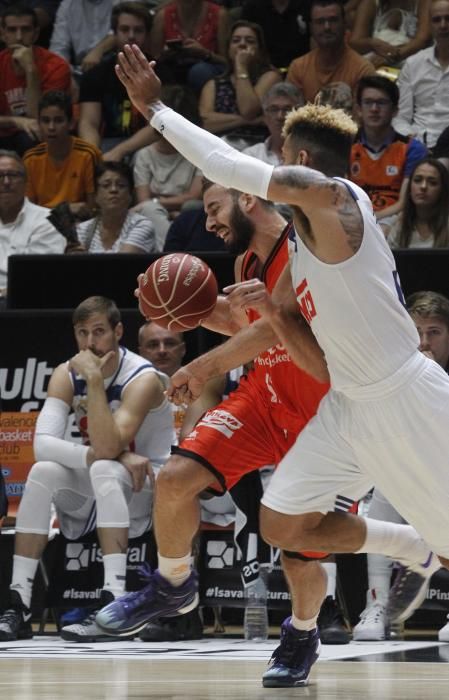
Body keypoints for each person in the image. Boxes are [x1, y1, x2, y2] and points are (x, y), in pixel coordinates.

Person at [106, 45, 449, 687]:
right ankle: (411, 547)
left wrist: (155, 108)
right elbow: (288, 340)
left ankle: (429, 547)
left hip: (406, 397)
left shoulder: (334, 200)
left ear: (295, 163)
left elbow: (226, 164)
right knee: (280, 522)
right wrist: (215, 315)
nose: (262, 171)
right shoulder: (300, 250)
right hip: (346, 406)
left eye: (275, 156)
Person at [0, 295, 175, 642]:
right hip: (107, 480)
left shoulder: (143, 378)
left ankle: (115, 605)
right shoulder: (65, 374)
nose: (90, 343)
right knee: (43, 471)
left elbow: (110, 448)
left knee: (105, 470)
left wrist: (95, 382)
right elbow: (43, 445)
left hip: (152, 489)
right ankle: (18, 604)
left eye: (99, 332)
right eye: (82, 333)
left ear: (118, 332)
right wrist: (109, 455)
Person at [353, 289, 449, 641]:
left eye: (434, 332)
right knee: (379, 498)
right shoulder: (388, 373)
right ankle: (377, 604)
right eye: (416, 332)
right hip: (400, 473)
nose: (424, 342)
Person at [78, 2, 155, 162]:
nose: (131, 35)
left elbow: (160, 125)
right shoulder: (96, 74)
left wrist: (119, 152)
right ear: (115, 33)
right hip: (106, 143)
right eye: (125, 29)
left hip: (146, 144)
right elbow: (88, 123)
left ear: (147, 34)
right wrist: (95, 155)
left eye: (138, 30)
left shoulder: (161, 71)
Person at [133, 84, 203, 251]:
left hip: (188, 214)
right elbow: (144, 201)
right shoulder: (144, 155)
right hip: (155, 215)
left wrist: (158, 200)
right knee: (149, 209)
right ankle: (171, 256)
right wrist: (164, 207)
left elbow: (193, 197)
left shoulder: (199, 153)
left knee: (191, 208)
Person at [350, 75, 427, 221]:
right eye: (368, 102)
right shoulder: (345, 146)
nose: (374, 109)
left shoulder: (413, 149)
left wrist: (372, 221)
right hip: (354, 217)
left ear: (395, 110)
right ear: (359, 109)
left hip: (393, 219)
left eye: (381, 103)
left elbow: (403, 204)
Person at [0, 3, 71, 155]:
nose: (19, 37)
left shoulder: (56, 66)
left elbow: (40, 119)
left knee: (34, 135)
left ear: (36, 33)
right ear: (3, 34)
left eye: (25, 30)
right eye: (12, 30)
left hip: (36, 135)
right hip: (4, 132)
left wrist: (31, 70)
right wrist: (16, 121)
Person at [199, 20, 280, 151]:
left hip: (258, 149)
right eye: (236, 40)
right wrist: (249, 121)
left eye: (250, 41)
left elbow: (248, 110)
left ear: (259, 50)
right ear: (228, 48)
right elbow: (206, 122)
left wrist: (241, 67)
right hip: (220, 148)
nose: (242, 44)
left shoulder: (270, 77)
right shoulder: (213, 85)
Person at [23, 90, 102, 219]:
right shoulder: (30, 159)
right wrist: (63, 210)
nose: (51, 127)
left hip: (79, 223)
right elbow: (28, 211)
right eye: (45, 120)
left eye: (58, 120)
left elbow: (93, 208)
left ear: (71, 123)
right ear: (38, 123)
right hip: (42, 224)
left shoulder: (88, 154)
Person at [0, 149, 64, 304]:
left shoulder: (48, 219)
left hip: (24, 304)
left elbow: (37, 277)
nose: (6, 182)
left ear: (26, 182)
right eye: (0, 176)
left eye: (13, 175)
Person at [286, 0, 375, 108]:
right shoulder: (298, 68)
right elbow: (289, 115)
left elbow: (363, 119)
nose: (327, 27)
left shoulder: (362, 70)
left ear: (344, 24)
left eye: (333, 20)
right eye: (320, 22)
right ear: (311, 27)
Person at [393, 0, 449, 149]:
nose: (443, 25)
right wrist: (413, 142)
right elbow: (400, 117)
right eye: (437, 20)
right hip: (417, 145)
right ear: (430, 26)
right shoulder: (413, 64)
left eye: (448, 18)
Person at [72, 161, 156, 254]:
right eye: (106, 185)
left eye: (121, 185)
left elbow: (120, 264)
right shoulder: (83, 230)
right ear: (95, 195)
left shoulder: (142, 225)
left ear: (130, 195)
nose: (113, 190)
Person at [149, 0, 230, 93]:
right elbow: (154, 58)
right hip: (174, 66)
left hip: (207, 68)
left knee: (200, 71)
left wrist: (205, 53)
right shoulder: (163, 16)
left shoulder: (219, 15)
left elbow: (227, 63)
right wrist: (167, 54)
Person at [386, 157, 449, 247]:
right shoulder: (399, 224)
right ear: (410, 188)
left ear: (443, 190)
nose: (423, 186)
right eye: (417, 180)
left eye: (432, 182)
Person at [349, 0, 432, 68]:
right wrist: (373, 43)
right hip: (375, 60)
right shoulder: (370, 3)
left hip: (410, 59)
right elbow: (355, 42)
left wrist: (390, 57)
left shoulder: (423, 2)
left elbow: (422, 40)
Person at [49, 0, 122, 77]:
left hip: (116, 66)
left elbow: (127, 29)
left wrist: (99, 50)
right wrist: (66, 76)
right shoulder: (67, 4)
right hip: (81, 70)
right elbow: (58, 48)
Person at [242, 81, 304, 167]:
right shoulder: (251, 156)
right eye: (274, 109)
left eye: (287, 109)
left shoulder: (311, 155)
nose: (280, 116)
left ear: (299, 115)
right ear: (265, 117)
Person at [240, 0, 311, 71]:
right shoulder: (252, 7)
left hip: (303, 70)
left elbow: (316, 39)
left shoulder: (307, 5)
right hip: (262, 71)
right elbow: (245, 42)